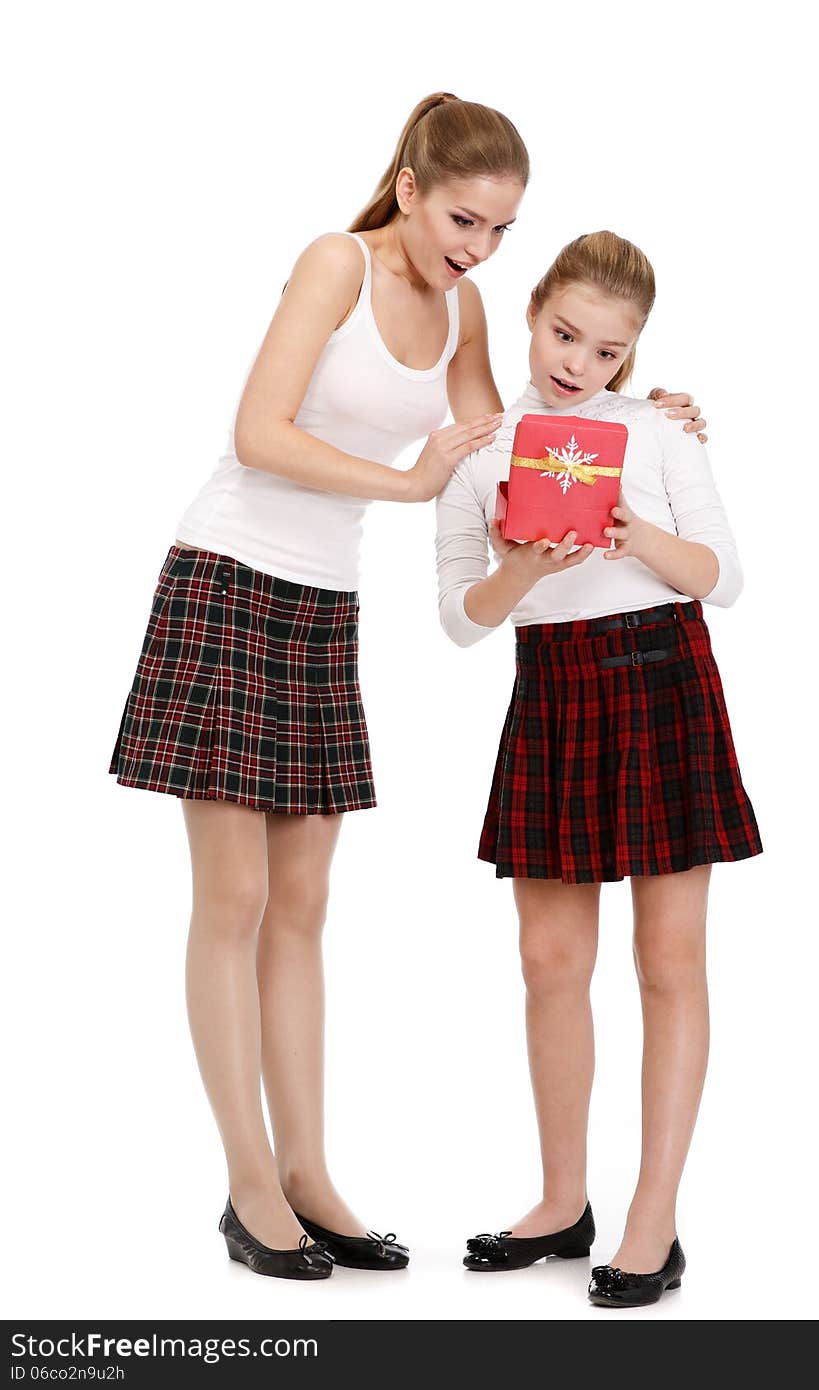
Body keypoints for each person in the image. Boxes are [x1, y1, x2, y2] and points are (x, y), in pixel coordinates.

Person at [109, 88, 705, 1282]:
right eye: (464, 219)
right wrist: (404, 483)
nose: (476, 247)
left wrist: (649, 417)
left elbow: (514, 446)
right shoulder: (334, 261)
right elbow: (258, 432)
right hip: (230, 575)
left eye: (499, 230)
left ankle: (310, 1178)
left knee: (303, 908)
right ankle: (246, 1187)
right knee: (230, 905)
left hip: (323, 602)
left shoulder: (467, 308)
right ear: (411, 188)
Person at [435, 229, 760, 1307]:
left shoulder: (658, 431)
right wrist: (519, 567)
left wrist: (635, 538)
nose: (578, 362)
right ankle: (560, 1197)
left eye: (606, 351)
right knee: (547, 961)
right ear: (531, 313)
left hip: (664, 676)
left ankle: (651, 1220)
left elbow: (722, 575)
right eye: (564, 333)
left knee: (669, 962)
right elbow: (457, 620)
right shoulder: (483, 447)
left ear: (633, 356)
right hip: (555, 687)